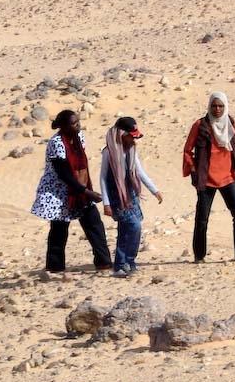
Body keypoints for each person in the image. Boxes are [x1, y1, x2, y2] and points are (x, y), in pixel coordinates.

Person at [31, 110, 111, 272]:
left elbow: (81, 165)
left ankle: (104, 262)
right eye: (74, 123)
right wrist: (87, 192)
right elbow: (64, 174)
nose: (78, 125)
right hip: (59, 192)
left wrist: (86, 189)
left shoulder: (79, 137)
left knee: (95, 225)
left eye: (78, 122)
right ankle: (55, 268)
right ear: (64, 126)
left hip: (80, 188)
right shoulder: (56, 143)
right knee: (59, 231)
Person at [182, 91, 235, 262]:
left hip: (228, 177)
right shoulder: (200, 125)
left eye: (220, 106)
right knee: (202, 218)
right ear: (209, 106)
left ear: (225, 106)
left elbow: (234, 148)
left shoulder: (231, 123)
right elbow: (188, 150)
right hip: (207, 179)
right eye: (214, 105)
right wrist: (194, 170)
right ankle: (199, 256)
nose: (217, 109)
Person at [100, 117, 163, 278]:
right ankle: (124, 262)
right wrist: (106, 203)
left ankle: (125, 263)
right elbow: (103, 178)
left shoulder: (132, 150)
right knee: (134, 226)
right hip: (117, 197)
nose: (133, 139)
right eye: (131, 135)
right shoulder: (108, 152)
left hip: (131, 195)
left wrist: (154, 190)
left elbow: (140, 172)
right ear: (121, 134)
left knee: (126, 229)